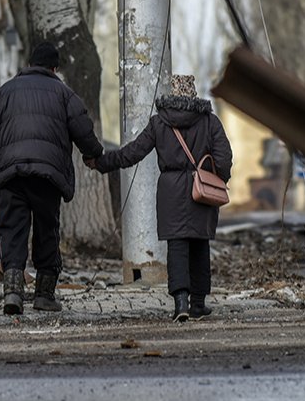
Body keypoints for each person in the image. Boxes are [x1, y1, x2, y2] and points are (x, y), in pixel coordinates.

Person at [0, 41, 104, 315]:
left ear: (30, 64)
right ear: (54, 68)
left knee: (12, 231)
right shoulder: (64, 93)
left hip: (11, 174)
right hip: (48, 175)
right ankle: (44, 295)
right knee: (47, 231)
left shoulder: (5, 92)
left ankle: (12, 293)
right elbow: (83, 129)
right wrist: (94, 154)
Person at [90, 75, 232, 322]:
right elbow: (224, 158)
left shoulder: (159, 123)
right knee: (200, 245)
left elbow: (132, 153)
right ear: (193, 94)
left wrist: (102, 162)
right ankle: (199, 303)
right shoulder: (210, 122)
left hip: (171, 192)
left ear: (172, 94)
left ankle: (181, 304)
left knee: (177, 246)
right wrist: (218, 178)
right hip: (202, 189)